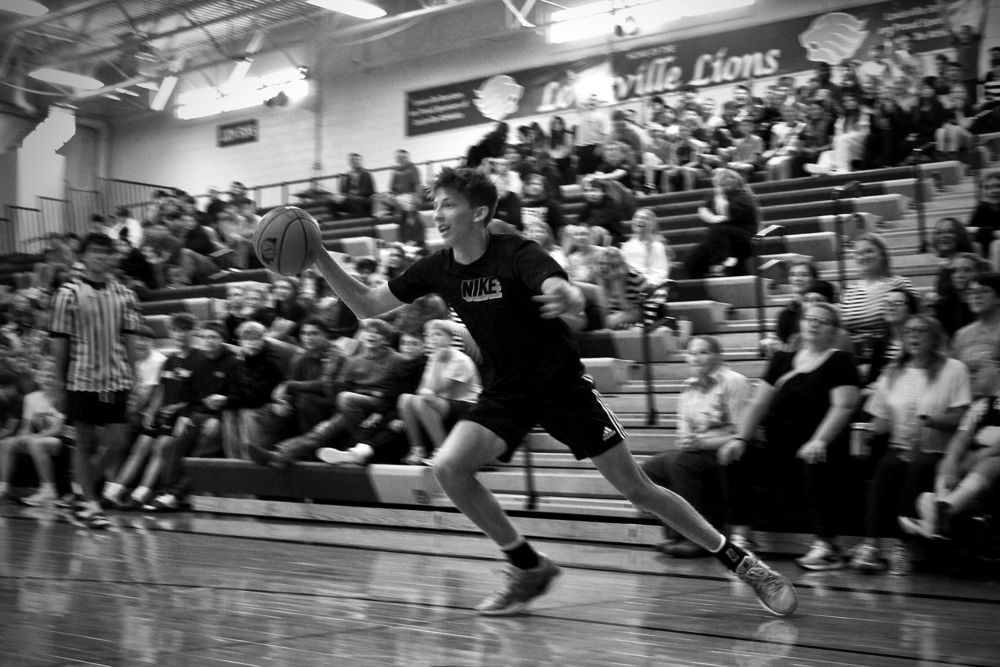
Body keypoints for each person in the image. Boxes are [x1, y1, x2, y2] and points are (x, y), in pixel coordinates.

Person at [309, 166, 797, 617]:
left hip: (561, 386)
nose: (437, 214)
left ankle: (740, 561)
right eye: (434, 204)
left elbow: (557, 284)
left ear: (478, 212)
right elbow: (369, 305)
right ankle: (528, 566)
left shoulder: (517, 253)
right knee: (449, 468)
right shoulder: (437, 267)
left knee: (637, 489)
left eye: (448, 204)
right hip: (505, 392)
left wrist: (566, 295)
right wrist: (318, 256)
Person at [719, 302, 860, 570]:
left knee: (815, 458)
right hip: (781, 452)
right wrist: (740, 438)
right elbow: (758, 404)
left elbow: (844, 406)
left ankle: (827, 546)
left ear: (834, 331)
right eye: (810, 318)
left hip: (825, 451)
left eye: (823, 320)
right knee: (735, 455)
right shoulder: (781, 360)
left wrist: (819, 440)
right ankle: (743, 537)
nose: (814, 323)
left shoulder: (840, 361)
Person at [852, 315, 971, 574]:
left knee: (918, 467)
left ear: (936, 337)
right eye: (908, 332)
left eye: (921, 331)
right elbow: (881, 418)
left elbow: (962, 414)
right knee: (887, 467)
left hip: (940, 448)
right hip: (901, 445)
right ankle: (870, 545)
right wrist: (868, 429)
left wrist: (930, 421)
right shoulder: (893, 371)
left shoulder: (954, 369)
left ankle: (903, 547)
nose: (914, 337)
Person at [49, 232, 141, 529]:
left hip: (117, 377)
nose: (102, 257)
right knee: (83, 442)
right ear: (84, 256)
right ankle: (91, 505)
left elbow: (130, 340)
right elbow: (60, 343)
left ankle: (79, 487)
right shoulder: (67, 294)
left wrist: (135, 379)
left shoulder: (125, 294)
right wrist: (59, 384)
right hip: (81, 378)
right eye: (96, 252)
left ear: (113, 257)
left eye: (107, 252)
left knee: (117, 441)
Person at [640, 336, 753, 557]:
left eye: (703, 352)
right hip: (698, 450)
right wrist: (690, 441)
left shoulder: (733, 382)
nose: (696, 358)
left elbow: (741, 432)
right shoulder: (688, 389)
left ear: (718, 356)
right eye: (692, 353)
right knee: (649, 470)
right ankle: (675, 532)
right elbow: (684, 434)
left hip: (728, 451)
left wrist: (701, 441)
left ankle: (700, 538)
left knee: (680, 462)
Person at [903, 357, 1000, 538]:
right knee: (946, 463)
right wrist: (952, 459)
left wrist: (982, 455)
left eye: (981, 369)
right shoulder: (980, 406)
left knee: (991, 463)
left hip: (992, 457)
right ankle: (939, 513)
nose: (974, 375)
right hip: (978, 455)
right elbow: (962, 435)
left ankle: (941, 512)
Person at [396, 319, 481, 465]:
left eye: (438, 334)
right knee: (405, 399)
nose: (432, 338)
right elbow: (422, 390)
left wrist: (436, 363)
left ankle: (442, 452)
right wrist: (435, 361)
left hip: (468, 406)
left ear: (450, 338)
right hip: (441, 403)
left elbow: (437, 389)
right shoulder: (433, 358)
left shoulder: (459, 359)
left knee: (422, 400)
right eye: (429, 335)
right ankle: (417, 450)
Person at [840, 233, 917, 365]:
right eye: (858, 253)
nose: (863, 256)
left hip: (887, 354)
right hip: (854, 356)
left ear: (882, 254)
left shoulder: (899, 283)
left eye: (869, 251)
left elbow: (915, 318)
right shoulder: (850, 290)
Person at [0, 365, 65, 507]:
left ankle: (48, 490)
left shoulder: (62, 399)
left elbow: (58, 429)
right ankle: (4, 487)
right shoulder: (30, 398)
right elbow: (26, 427)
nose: (48, 378)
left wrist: (36, 437)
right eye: (45, 375)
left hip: (59, 440)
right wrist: (22, 436)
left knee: (36, 443)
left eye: (51, 376)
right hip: (36, 438)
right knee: (6, 443)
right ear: (39, 377)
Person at [684, 168, 760, 279]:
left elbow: (727, 212)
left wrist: (720, 196)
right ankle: (702, 289)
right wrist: (712, 218)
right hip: (720, 242)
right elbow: (703, 209)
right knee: (692, 261)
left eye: (722, 184)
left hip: (743, 241)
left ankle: (722, 262)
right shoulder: (715, 195)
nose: (720, 186)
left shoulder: (744, 197)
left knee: (718, 229)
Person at [952, 272, 1000, 366]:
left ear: (998, 297)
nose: (976, 296)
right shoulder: (961, 335)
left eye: (984, 291)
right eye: (971, 292)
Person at [620, 208, 670, 286]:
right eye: (636, 217)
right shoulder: (627, 246)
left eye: (644, 218)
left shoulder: (656, 246)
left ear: (652, 224)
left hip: (645, 286)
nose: (639, 220)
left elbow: (659, 274)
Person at [330, 153, 376, 219]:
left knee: (355, 201)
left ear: (360, 161)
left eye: (357, 160)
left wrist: (351, 196)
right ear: (349, 162)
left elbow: (367, 191)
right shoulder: (347, 175)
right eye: (352, 160)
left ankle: (359, 222)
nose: (355, 162)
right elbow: (343, 192)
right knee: (332, 201)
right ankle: (339, 221)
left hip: (363, 199)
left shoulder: (366, 174)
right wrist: (340, 196)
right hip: (350, 200)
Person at [968, 169, 1000, 259]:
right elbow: (970, 230)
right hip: (986, 254)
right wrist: (992, 233)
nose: (994, 191)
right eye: (988, 187)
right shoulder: (981, 210)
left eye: (998, 186)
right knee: (974, 245)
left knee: (997, 245)